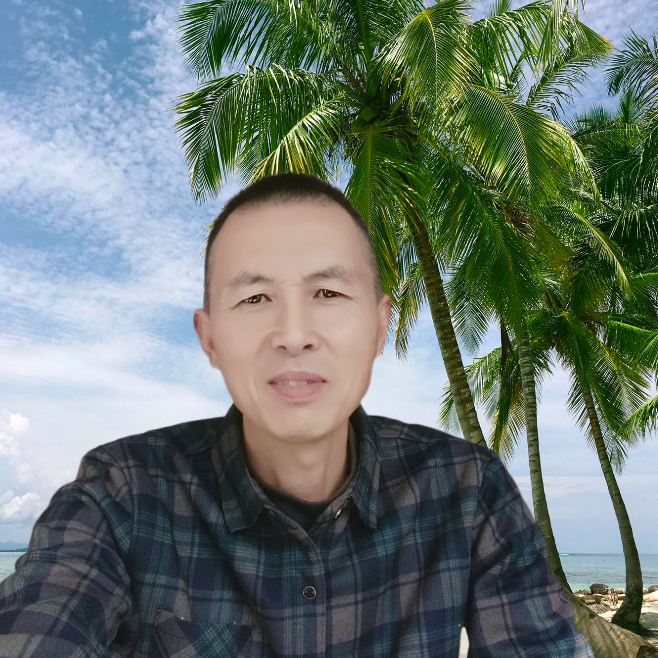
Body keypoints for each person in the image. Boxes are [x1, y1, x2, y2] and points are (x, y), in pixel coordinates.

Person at [0, 172, 594, 657]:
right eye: (255, 298)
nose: (293, 334)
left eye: (328, 293)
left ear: (381, 325)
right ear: (209, 338)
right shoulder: (123, 495)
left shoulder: (467, 490)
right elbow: (43, 624)